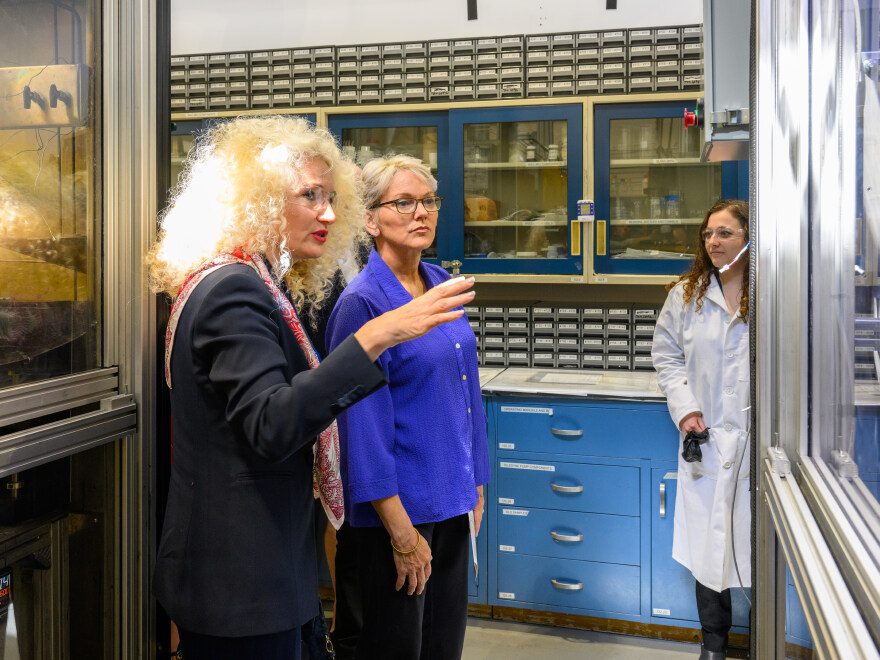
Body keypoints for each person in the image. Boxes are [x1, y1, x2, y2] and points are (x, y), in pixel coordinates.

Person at [149, 117, 475, 660]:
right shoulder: (233, 292)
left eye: (331, 197)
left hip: (265, 573)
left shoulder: (255, 285)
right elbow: (272, 424)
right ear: (254, 201)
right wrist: (375, 337)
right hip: (240, 581)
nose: (328, 213)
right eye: (310, 196)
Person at [326, 154, 490, 659]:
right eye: (404, 202)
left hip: (452, 500)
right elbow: (360, 427)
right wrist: (399, 529)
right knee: (397, 649)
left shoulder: (441, 283)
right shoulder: (363, 302)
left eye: (428, 201)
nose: (421, 213)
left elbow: (467, 390)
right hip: (397, 517)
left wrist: (477, 482)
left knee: (444, 647)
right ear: (371, 219)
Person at [651, 199, 751, 660]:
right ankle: (714, 644)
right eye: (708, 233)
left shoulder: (771, 291)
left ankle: (766, 635)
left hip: (756, 442)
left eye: (725, 233)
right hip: (706, 440)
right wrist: (686, 408)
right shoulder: (687, 293)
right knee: (709, 552)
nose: (713, 241)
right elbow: (667, 355)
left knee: (756, 544)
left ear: (751, 238)